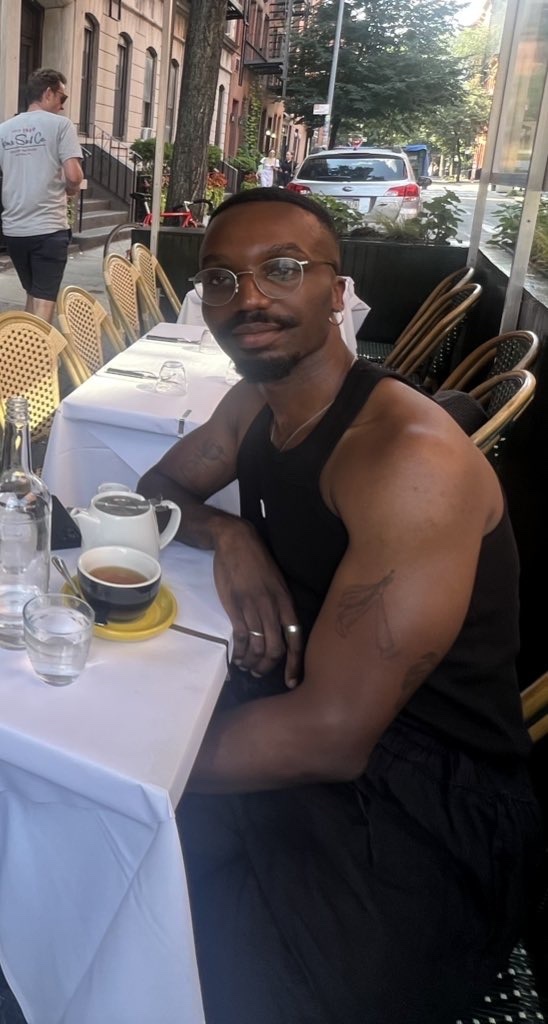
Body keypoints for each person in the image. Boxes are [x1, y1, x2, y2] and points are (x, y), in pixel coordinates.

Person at [138, 187, 542, 1024]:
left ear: (337, 291)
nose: (247, 297)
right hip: (295, 711)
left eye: (280, 269)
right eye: (220, 278)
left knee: (193, 963)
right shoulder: (257, 401)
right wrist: (230, 536)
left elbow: (329, 738)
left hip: (423, 804)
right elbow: (162, 486)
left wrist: (127, 769)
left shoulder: (406, 460)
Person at [0, 68, 83, 323]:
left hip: (15, 230)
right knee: (44, 305)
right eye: (62, 98)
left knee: (32, 295)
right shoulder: (61, 125)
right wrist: (71, 190)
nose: (62, 106)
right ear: (48, 93)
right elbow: (74, 176)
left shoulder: (4, 129)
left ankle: (22, 358)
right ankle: (40, 360)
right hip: (48, 228)